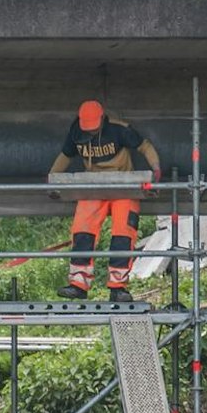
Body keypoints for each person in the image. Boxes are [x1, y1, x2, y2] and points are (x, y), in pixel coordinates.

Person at [50, 101, 161, 302]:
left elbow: (145, 146)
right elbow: (65, 155)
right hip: (93, 186)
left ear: (102, 120)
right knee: (82, 230)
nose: (91, 133)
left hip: (124, 185)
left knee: (123, 235)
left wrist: (156, 169)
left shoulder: (119, 129)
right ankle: (78, 284)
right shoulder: (77, 131)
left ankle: (118, 287)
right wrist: (52, 179)